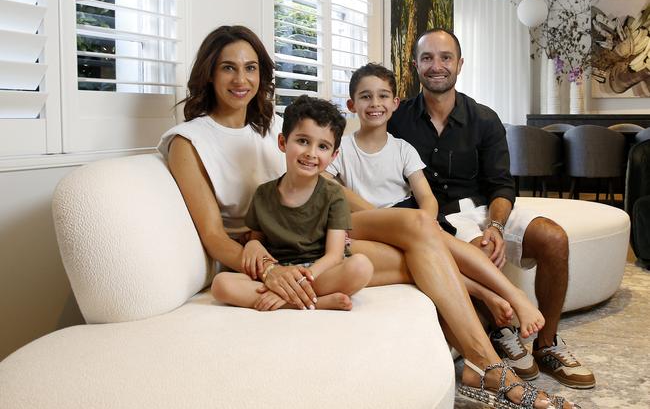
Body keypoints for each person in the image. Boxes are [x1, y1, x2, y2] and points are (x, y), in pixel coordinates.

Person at [158, 25, 577, 409]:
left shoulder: (266, 127)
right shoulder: (188, 141)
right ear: (209, 73)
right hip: (276, 249)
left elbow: (303, 184)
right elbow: (214, 236)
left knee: (416, 225)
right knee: (416, 251)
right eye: (228, 68)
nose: (241, 79)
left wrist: (379, 219)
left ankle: (485, 354)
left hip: (314, 220)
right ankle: (486, 355)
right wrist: (264, 264)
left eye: (251, 68)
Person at [388, 28, 595, 390]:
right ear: (415, 65)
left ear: (460, 64)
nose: (437, 66)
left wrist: (496, 226)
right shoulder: (397, 118)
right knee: (474, 251)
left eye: (445, 57)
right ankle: (501, 334)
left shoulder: (484, 118)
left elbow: (501, 184)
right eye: (427, 58)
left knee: (553, 238)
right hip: (437, 217)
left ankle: (547, 345)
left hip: (485, 208)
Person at [323, 62, 544, 340]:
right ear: (351, 104)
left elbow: (426, 197)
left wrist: (426, 220)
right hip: (367, 223)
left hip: (408, 218)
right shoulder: (341, 148)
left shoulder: (403, 149)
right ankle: (495, 293)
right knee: (423, 238)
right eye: (365, 96)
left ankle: (511, 293)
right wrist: (385, 218)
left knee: (430, 241)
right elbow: (326, 182)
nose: (374, 103)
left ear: (395, 103)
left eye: (382, 96)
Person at [211, 95, 373, 311]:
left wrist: (303, 280)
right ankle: (311, 302)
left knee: (361, 266)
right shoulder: (263, 194)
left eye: (322, 147)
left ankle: (292, 298)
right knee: (222, 285)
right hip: (278, 272)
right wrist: (252, 245)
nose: (311, 153)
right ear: (283, 142)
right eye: (303, 141)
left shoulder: (334, 194)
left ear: (333, 155)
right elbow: (256, 240)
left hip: (317, 272)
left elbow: (334, 255)